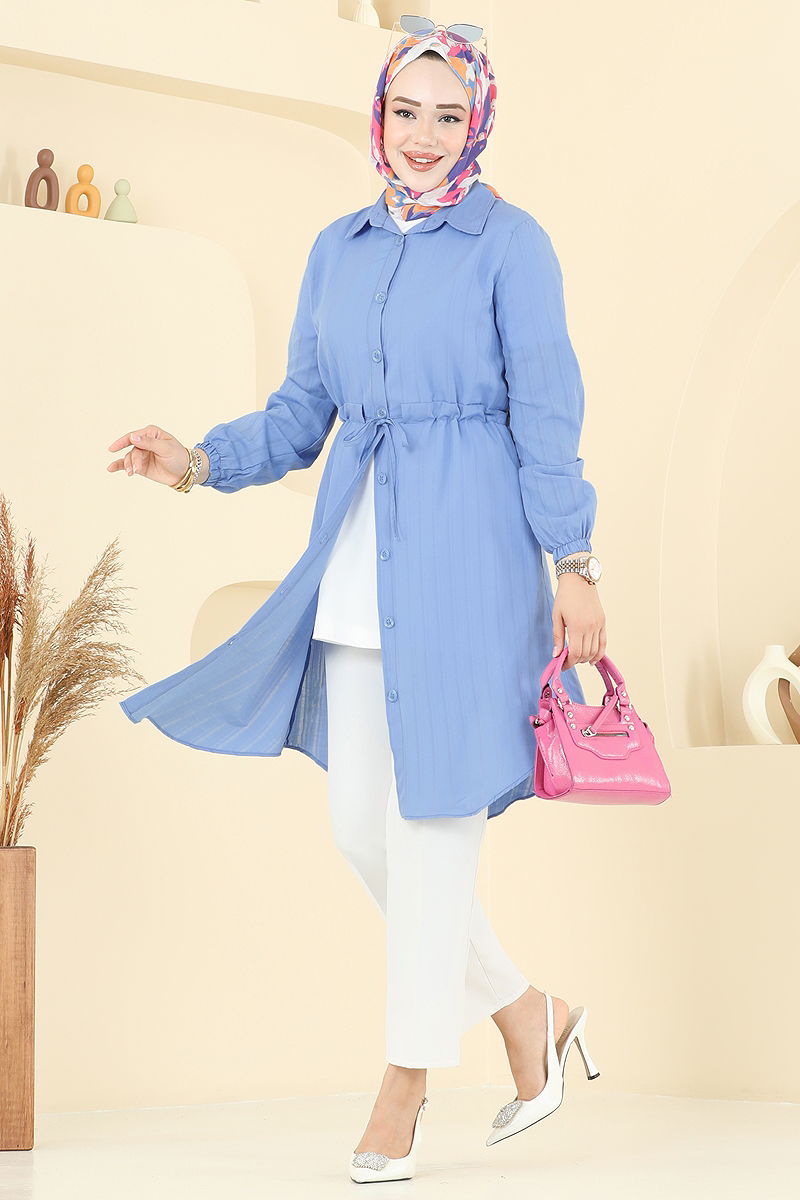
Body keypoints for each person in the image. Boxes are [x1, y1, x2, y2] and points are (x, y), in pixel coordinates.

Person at [108, 19, 606, 1184]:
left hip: (469, 567)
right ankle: (527, 1013)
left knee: (432, 830)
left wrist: (573, 561)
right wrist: (197, 460)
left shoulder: (511, 244)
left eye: (448, 115)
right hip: (354, 565)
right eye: (405, 111)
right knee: (359, 828)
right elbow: (300, 414)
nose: (423, 135)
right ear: (379, 116)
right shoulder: (337, 248)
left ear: (476, 123)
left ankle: (405, 1079)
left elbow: (547, 413)